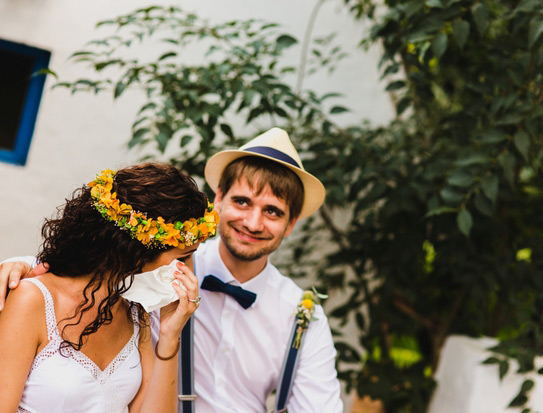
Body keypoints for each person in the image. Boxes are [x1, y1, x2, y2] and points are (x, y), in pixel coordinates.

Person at [0, 128, 343, 412]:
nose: (253, 222)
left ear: (291, 223)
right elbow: (88, 274)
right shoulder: (163, 269)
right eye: (242, 202)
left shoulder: (303, 316)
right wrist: (21, 266)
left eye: (272, 211)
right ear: (219, 198)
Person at [0, 162, 217, 412]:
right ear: (136, 252)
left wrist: (169, 337)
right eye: (182, 258)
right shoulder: (31, 300)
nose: (189, 271)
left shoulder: (136, 313)